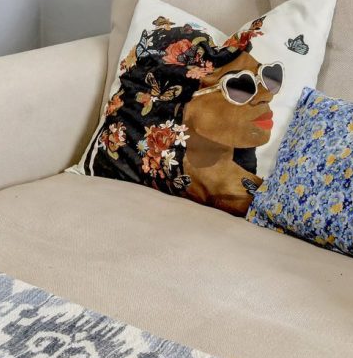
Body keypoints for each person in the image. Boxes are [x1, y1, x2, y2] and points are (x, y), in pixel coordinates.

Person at [87, 20, 283, 216]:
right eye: (239, 86)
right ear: (177, 103)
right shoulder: (258, 199)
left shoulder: (268, 194)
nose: (267, 95)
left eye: (270, 76)